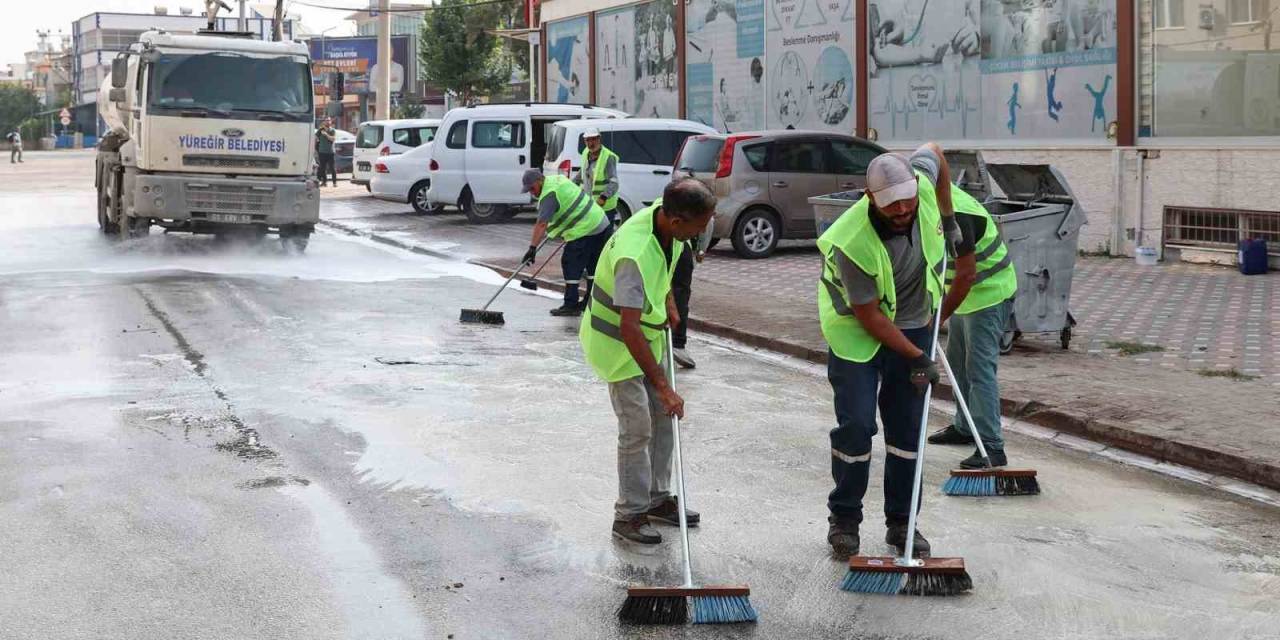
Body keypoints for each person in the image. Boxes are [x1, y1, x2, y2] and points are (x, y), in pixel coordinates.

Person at [818, 145, 976, 561]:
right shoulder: (851, 241)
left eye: (908, 199)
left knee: (907, 430)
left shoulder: (919, 186)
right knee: (856, 427)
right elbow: (870, 317)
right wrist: (918, 356)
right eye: (893, 205)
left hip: (912, 325)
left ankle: (903, 521)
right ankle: (845, 518)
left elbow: (936, 154)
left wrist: (947, 218)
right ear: (871, 198)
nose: (904, 208)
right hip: (857, 334)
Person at [579, 179, 717, 544]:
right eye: (699, 227)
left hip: (647, 331)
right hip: (617, 343)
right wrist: (662, 385)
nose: (702, 233)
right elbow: (628, 328)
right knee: (638, 427)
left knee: (663, 417)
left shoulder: (666, 217)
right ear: (676, 221)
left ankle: (657, 499)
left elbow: (665, 265)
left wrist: (668, 299)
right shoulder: (633, 255)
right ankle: (629, 514)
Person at [927, 167, 1019, 469]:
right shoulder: (927, 203)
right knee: (957, 365)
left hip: (990, 293)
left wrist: (938, 316)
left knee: (979, 370)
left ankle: (992, 446)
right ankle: (965, 428)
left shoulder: (958, 215)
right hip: (964, 297)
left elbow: (966, 274)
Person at [521, 169, 613, 317]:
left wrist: (532, 248)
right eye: (528, 191)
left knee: (570, 263)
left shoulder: (548, 195)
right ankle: (590, 302)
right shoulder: (557, 179)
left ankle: (571, 305)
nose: (532, 192)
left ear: (540, 180)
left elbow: (541, 224)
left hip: (586, 228)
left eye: (532, 188)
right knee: (592, 266)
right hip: (601, 223)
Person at [670, 217, 714, 369]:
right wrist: (701, 249)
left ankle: (675, 343)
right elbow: (708, 222)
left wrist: (701, 249)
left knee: (676, 295)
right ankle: (676, 343)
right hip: (678, 249)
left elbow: (707, 223)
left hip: (677, 250)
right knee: (679, 295)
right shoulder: (692, 200)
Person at [574, 128, 621, 226]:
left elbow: (614, 183)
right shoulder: (586, 153)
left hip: (604, 207)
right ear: (585, 141)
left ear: (599, 139)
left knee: (605, 235)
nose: (591, 143)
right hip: (589, 205)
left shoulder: (608, 157)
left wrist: (603, 197)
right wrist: (570, 185)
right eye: (588, 140)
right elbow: (581, 173)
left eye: (593, 139)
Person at [315, 118, 337, 187]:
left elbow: (333, 139)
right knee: (322, 168)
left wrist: (326, 135)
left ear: (331, 122)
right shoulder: (320, 130)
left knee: (332, 168)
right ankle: (324, 182)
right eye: (326, 121)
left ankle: (334, 182)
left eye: (329, 120)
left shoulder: (332, 130)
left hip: (330, 152)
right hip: (322, 152)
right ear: (324, 122)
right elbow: (315, 137)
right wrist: (315, 147)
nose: (327, 122)